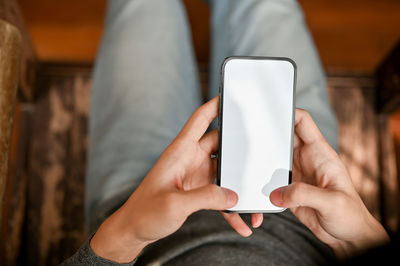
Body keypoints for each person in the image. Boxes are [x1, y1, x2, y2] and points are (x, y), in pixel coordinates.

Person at [62, 0, 390, 265]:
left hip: (137, 203)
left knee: (139, 6)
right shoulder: (334, 223)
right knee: (264, 6)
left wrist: (128, 232)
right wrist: (359, 236)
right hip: (303, 207)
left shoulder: (133, 221)